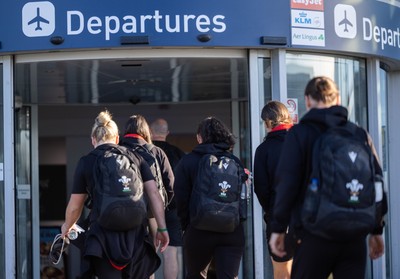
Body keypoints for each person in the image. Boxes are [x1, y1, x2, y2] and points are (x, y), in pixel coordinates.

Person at [269, 76, 387, 279]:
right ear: (338, 99)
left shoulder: (299, 134)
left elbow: (287, 184)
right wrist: (376, 230)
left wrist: (278, 229)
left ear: (307, 100)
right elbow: (377, 183)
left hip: (313, 235)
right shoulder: (359, 134)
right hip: (354, 236)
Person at [61, 110, 169, 279]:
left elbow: (75, 206)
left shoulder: (87, 161)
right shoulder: (135, 157)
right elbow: (154, 194)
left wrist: (66, 227)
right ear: (117, 139)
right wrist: (162, 228)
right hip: (135, 234)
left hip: (104, 237)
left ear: (93, 140)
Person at [174, 116, 245, 279]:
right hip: (231, 230)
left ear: (200, 137)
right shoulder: (234, 161)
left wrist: (186, 225)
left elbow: (181, 198)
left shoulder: (188, 161)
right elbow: (242, 197)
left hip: (199, 229)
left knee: (196, 275)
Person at [119, 115, 175, 249]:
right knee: (148, 257)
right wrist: (161, 207)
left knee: (123, 253)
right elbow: (170, 185)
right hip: (150, 213)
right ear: (146, 131)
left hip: (122, 211)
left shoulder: (117, 150)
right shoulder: (156, 152)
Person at [253, 101, 294, 279]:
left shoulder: (264, 149)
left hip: (279, 218)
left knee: (282, 271)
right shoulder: (304, 141)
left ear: (269, 122)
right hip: (308, 217)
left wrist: (271, 210)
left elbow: (261, 188)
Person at [150, 118, 185, 279]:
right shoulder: (178, 154)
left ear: (150, 132)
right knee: (171, 254)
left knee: (148, 252)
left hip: (149, 209)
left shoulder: (145, 151)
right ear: (167, 133)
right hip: (173, 208)